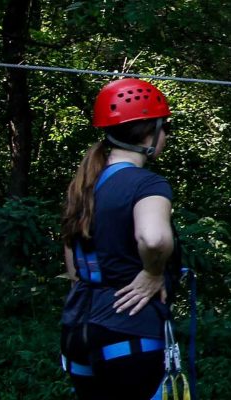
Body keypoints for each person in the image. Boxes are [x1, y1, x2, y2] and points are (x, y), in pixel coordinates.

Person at [59, 77, 180, 400]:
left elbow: (73, 263)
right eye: (165, 127)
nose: (166, 135)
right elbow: (153, 238)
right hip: (129, 329)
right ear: (149, 131)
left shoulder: (86, 183)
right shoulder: (146, 184)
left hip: (79, 329)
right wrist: (153, 273)